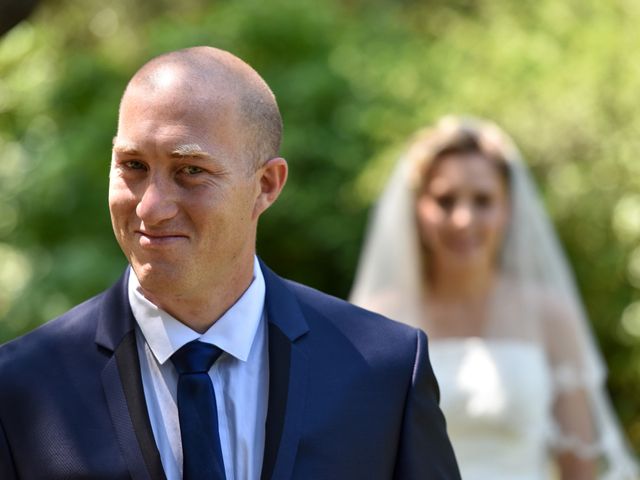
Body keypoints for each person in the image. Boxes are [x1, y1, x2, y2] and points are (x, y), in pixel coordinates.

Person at [0, 47, 460, 479]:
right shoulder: (21, 386)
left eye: (191, 170)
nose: (150, 207)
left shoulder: (384, 373)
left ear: (266, 184)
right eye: (133, 166)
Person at [350, 116, 639, 480]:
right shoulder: (376, 318)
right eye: (444, 199)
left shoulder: (550, 315)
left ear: (507, 208)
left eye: (483, 200)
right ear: (417, 207)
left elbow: (578, 470)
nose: (463, 219)